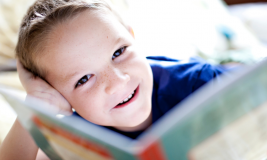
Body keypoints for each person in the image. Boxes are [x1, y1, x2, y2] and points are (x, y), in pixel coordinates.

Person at [0, 0, 226, 159]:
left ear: (132, 37)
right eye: (84, 79)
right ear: (58, 93)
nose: (117, 81)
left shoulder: (201, 83)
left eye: (118, 53)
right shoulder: (78, 135)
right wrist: (36, 106)